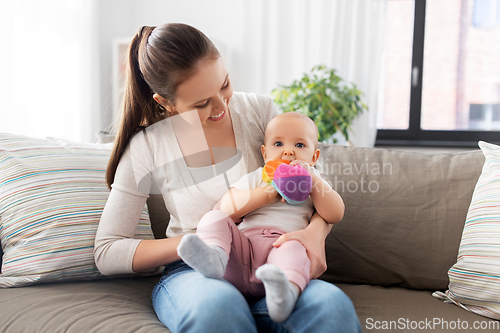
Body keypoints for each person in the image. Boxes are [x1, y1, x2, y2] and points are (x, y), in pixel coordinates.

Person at [94, 23, 361, 333]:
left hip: (276, 260)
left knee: (332, 310)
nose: (222, 107)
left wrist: (316, 232)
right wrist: (201, 242)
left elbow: (313, 186)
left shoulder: (260, 111)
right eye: (201, 103)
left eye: (224, 84)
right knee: (218, 310)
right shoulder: (149, 146)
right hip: (198, 273)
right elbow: (108, 251)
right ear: (165, 103)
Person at [177, 111, 345, 323]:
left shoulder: (314, 182)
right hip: (243, 251)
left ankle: (286, 293)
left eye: (300, 145)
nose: (288, 152)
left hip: (282, 247)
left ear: (314, 157)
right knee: (214, 217)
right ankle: (215, 257)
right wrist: (267, 193)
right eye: (278, 144)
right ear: (265, 154)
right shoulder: (258, 177)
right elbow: (227, 206)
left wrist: (313, 182)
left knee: (295, 247)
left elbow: (336, 213)